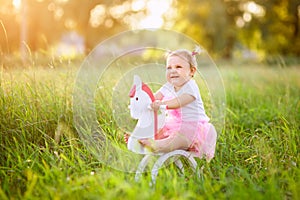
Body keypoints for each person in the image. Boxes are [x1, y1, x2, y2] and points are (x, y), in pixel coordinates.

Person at [126, 48, 217, 161]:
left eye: (178, 67)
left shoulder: (190, 86)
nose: (172, 71)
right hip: (174, 124)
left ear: (192, 71)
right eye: (169, 68)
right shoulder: (168, 86)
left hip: (192, 127)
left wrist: (161, 104)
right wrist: (142, 103)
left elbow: (179, 101)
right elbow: (154, 97)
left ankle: (155, 145)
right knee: (159, 131)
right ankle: (141, 139)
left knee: (176, 139)